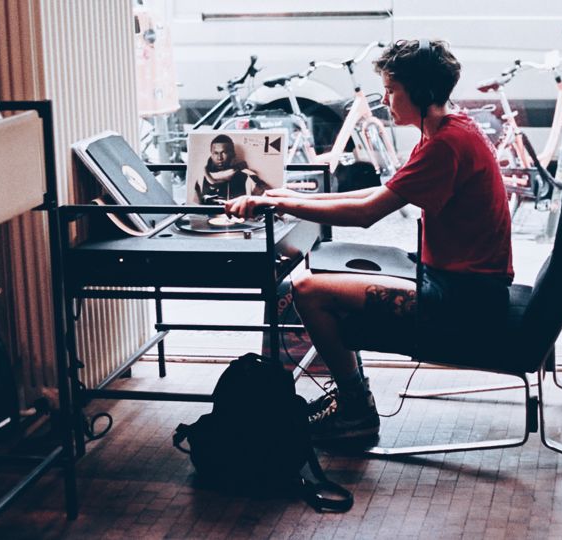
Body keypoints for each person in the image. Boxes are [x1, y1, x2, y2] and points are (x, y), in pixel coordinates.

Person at [225, 39, 514, 442]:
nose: (385, 100)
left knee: (307, 289)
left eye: (392, 90)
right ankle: (351, 399)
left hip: (462, 297)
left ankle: (355, 410)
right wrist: (288, 197)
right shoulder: (449, 129)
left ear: (422, 92)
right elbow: (380, 193)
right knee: (328, 268)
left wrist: (284, 204)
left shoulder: (446, 144)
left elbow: (366, 214)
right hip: (461, 281)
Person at [196, 134, 270, 205]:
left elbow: (269, 201)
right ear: (211, 155)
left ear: (232, 154)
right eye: (216, 153)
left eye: (224, 152)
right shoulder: (201, 178)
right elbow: (194, 207)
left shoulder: (247, 176)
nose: (219, 158)